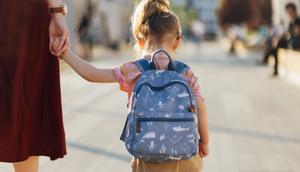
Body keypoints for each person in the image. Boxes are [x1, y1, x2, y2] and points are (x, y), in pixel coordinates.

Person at [53, 0, 209, 171]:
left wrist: (65, 53)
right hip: (186, 155)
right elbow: (200, 107)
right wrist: (204, 142)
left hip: (146, 155)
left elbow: (92, 74)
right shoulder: (186, 73)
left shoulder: (135, 70)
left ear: (140, 41)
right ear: (177, 41)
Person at [0, 0, 69, 171]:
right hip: (24, 14)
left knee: (25, 117)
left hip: (23, 16)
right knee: (25, 114)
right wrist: (57, 11)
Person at [262, 3, 300, 76]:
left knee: (277, 45)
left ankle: (267, 59)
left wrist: (287, 35)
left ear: (294, 11)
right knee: (274, 45)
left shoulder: (297, 20)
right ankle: (268, 59)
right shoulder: (291, 21)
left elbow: (297, 33)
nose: (288, 13)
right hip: (291, 40)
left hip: (295, 42)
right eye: (287, 12)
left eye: (290, 11)